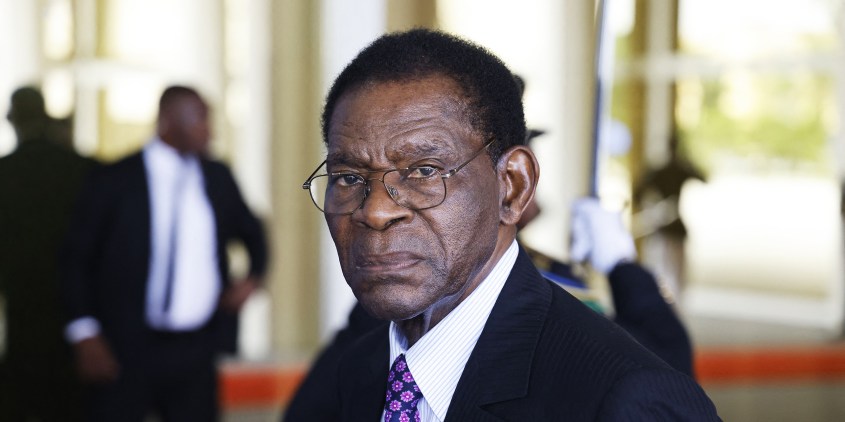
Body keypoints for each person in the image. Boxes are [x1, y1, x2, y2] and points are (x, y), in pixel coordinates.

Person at [297, 28, 719, 421]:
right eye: (349, 178)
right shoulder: (357, 374)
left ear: (513, 187)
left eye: (424, 171)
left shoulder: (627, 398)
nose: (375, 212)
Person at [59, 85, 268, 421]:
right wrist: (84, 332)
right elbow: (76, 258)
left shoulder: (216, 176)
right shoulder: (114, 179)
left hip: (197, 349)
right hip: (125, 347)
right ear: (168, 120)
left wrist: (254, 277)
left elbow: (253, 231)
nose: (208, 130)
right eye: (199, 119)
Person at [0, 86, 96, 421]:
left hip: (21, 314)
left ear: (12, 120)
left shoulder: (5, 175)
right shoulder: (85, 172)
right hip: (76, 318)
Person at [633, 134, 706, 303]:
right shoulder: (668, 170)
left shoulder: (665, 171)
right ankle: (671, 302)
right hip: (667, 225)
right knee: (668, 270)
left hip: (669, 226)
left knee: (669, 270)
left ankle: (671, 301)